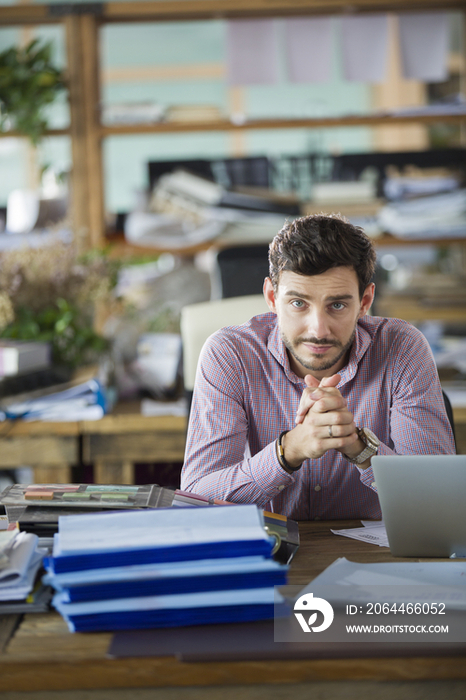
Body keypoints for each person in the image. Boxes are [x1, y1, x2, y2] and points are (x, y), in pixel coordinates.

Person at [181, 214, 455, 520]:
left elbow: (439, 502)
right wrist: (289, 451)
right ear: (272, 297)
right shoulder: (229, 355)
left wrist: (357, 447)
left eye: (337, 305)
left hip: (376, 558)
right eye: (298, 303)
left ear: (365, 302)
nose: (319, 330)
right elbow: (197, 499)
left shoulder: (402, 348)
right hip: (267, 553)